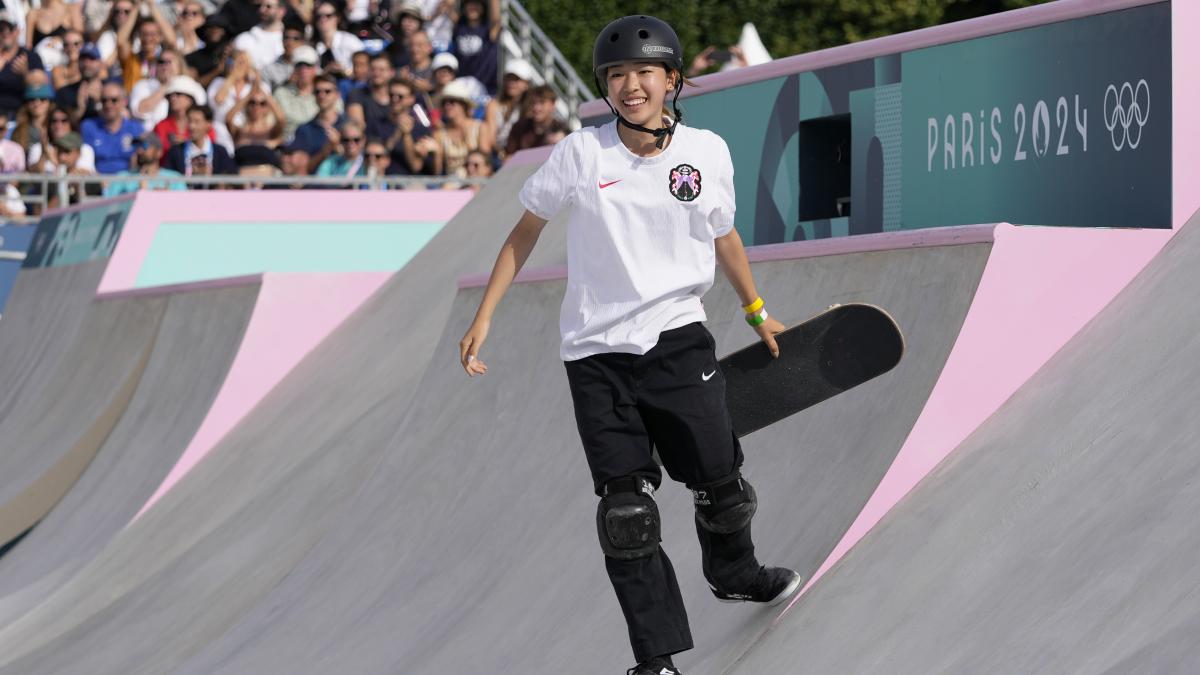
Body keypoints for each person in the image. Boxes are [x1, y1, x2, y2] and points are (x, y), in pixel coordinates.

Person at [457, 16, 800, 675]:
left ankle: (735, 570)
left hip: (679, 341)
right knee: (626, 512)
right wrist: (485, 315)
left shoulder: (706, 152)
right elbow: (523, 233)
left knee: (722, 486)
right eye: (617, 76)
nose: (631, 85)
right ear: (606, 89)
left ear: (672, 80)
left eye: (644, 72)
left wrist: (759, 313)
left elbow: (724, 237)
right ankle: (657, 659)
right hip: (596, 355)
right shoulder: (583, 154)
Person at [432, 78, 490, 178]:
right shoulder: (439, 133)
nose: (447, 105)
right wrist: (436, 153)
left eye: (452, 101)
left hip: (475, 181)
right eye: (444, 102)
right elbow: (437, 172)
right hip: (450, 183)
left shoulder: (480, 127)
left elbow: (486, 162)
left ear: (464, 105)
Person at [81, 81, 144, 173]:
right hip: (96, 181)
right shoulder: (89, 127)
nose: (108, 105)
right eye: (104, 100)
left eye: (114, 100)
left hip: (128, 182)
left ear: (124, 102)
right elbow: (85, 162)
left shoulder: (136, 129)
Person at [163, 103, 236, 176]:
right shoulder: (176, 151)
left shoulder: (220, 152)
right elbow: (168, 179)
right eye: (189, 121)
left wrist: (211, 177)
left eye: (196, 122)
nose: (192, 126)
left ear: (208, 124)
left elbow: (230, 179)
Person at [103, 131, 187, 194]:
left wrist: (167, 199)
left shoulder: (174, 179)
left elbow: (184, 208)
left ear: (159, 152)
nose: (140, 150)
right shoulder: (122, 178)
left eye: (145, 146)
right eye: (138, 146)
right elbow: (107, 208)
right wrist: (135, 195)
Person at [484, 56, 532, 158]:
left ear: (526, 84)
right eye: (509, 78)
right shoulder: (493, 105)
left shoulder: (531, 107)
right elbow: (491, 138)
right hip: (498, 154)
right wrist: (503, 154)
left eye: (517, 79)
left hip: (523, 154)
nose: (511, 83)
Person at [0, 12, 45, 118]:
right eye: (1, 29)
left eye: (10, 29)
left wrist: (25, 74)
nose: (5, 33)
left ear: (17, 31)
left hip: (22, 113)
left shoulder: (30, 57)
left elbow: (41, 87)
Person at [503, 84, 566, 156]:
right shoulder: (519, 126)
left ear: (552, 105)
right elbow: (508, 156)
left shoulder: (562, 130)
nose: (536, 108)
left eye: (542, 103)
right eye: (533, 102)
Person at [449, 0, 497, 95]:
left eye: (476, 4)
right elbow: (449, 5)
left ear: (483, 8)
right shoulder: (459, 26)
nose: (472, 7)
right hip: (461, 84)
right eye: (469, 4)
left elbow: (496, 18)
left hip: (484, 87)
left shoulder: (488, 29)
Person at [272, 43, 319, 139]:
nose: (303, 70)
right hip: (288, 144)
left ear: (315, 68)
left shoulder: (325, 92)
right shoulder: (280, 93)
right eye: (299, 65)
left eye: (308, 65)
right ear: (293, 68)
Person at [129, 47, 183, 125]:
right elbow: (140, 110)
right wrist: (165, 86)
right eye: (161, 62)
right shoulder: (143, 85)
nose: (165, 66)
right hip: (149, 134)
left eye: (169, 61)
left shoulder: (189, 86)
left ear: (179, 66)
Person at [345, 51, 391, 139]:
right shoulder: (357, 94)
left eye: (381, 70)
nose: (377, 73)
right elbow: (357, 126)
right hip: (368, 144)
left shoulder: (397, 95)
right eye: (373, 69)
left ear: (390, 72)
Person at [54, 42, 104, 122]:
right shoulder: (65, 92)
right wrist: (80, 110)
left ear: (101, 63)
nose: (86, 64)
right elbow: (60, 125)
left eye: (92, 59)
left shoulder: (112, 91)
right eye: (83, 59)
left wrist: (100, 103)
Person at [310, 0, 362, 76]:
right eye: (319, 16)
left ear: (337, 18)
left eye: (328, 15)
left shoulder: (351, 41)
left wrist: (344, 71)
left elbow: (363, 68)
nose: (323, 19)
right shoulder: (313, 46)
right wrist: (325, 72)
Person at [233, 0, 285, 71]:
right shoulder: (244, 38)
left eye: (268, 7)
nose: (262, 10)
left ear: (281, 11)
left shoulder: (290, 40)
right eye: (259, 6)